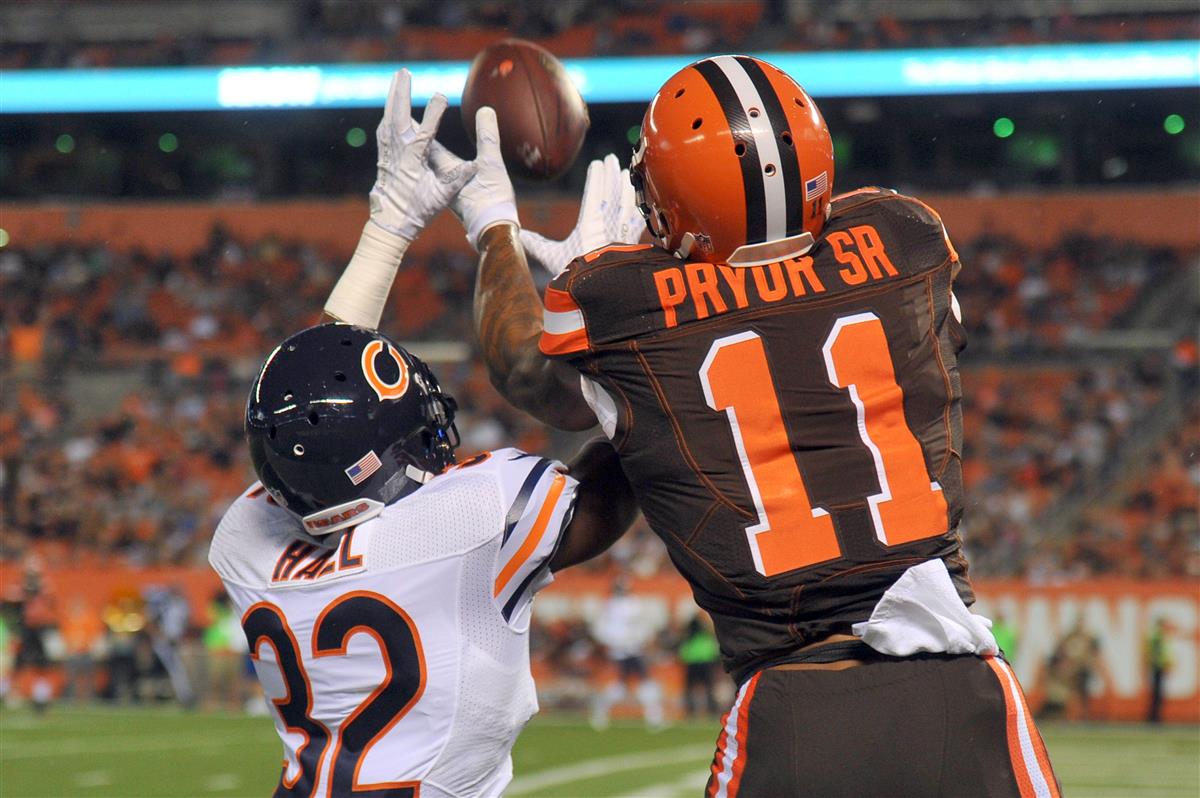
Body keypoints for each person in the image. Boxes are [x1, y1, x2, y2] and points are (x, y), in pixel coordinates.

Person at [445, 55, 1061, 796]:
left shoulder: (621, 303)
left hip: (792, 700)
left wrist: (493, 228)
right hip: (965, 690)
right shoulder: (905, 239)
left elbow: (523, 370)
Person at [209, 70, 638, 798]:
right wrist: (611, 315)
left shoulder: (243, 541)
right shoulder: (472, 518)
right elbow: (624, 473)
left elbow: (311, 407)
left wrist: (390, 224)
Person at [589, 577, 665, 730]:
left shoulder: (620, 604)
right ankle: (653, 716)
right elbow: (603, 629)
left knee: (633, 682)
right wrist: (617, 642)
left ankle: (653, 716)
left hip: (629, 648)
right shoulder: (617, 605)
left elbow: (640, 626)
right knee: (633, 682)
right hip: (625, 649)